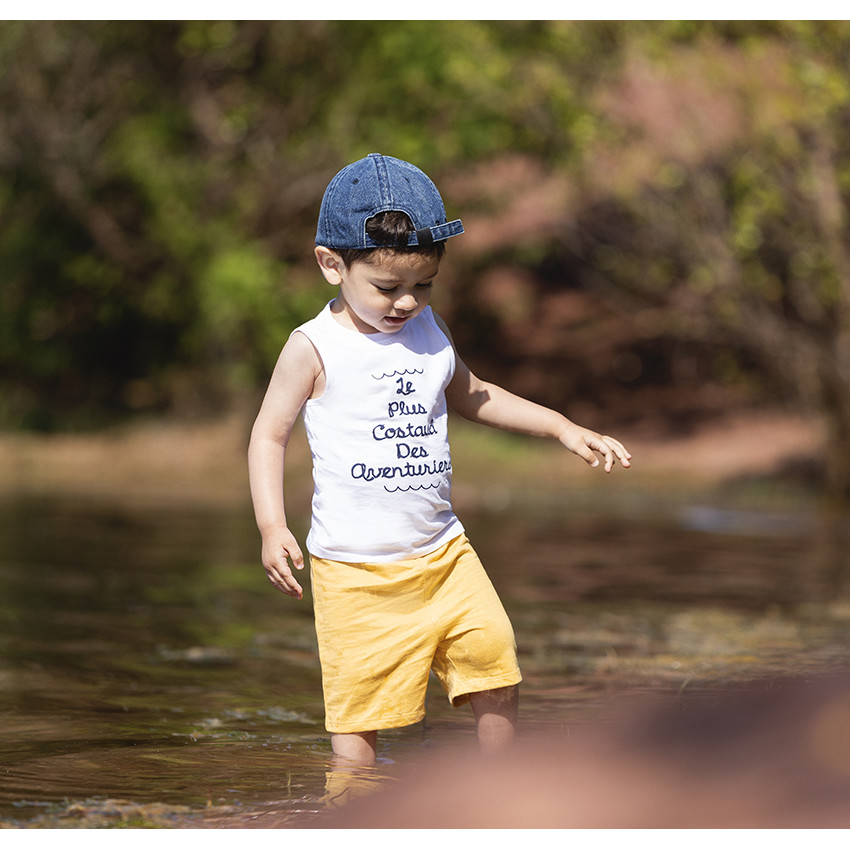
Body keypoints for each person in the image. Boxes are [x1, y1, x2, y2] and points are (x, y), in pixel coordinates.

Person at [248, 153, 631, 767]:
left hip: (443, 553)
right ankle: (352, 813)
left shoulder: (430, 330)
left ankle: (497, 790)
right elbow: (269, 435)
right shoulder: (313, 347)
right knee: (359, 727)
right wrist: (272, 526)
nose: (406, 303)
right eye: (386, 287)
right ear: (331, 264)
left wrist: (560, 426)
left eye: (422, 286)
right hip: (356, 573)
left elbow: (472, 393)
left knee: (494, 658)